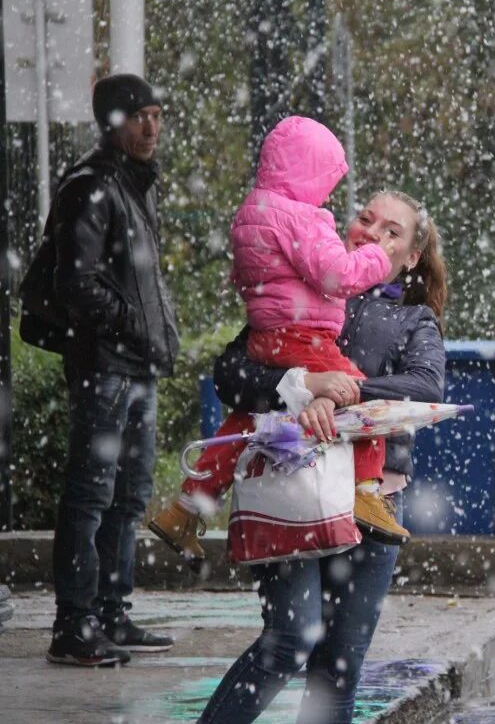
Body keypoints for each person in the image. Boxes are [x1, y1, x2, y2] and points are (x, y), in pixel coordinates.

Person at [196, 191, 447, 723]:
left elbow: (426, 386)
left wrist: (346, 391)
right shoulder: (299, 290)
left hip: (371, 503)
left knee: (338, 665)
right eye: (366, 218)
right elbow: (231, 376)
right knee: (288, 640)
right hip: (292, 489)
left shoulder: (413, 317)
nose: (372, 233)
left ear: (410, 258)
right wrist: (302, 385)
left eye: (392, 231)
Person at [152, 116, 408, 553]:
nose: (328, 194)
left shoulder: (253, 210)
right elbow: (337, 275)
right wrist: (377, 259)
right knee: (364, 396)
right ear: (309, 173)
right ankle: (367, 493)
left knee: (247, 423)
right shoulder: (302, 217)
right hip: (303, 336)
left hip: (267, 335)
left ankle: (186, 507)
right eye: (326, 181)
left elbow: (248, 274)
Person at [26, 74, 179, 666]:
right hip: (105, 366)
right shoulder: (90, 186)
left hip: (135, 365)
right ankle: (74, 625)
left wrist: (149, 335)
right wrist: (131, 325)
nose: (151, 128)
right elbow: (77, 283)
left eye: (157, 115)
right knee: (91, 492)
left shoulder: (134, 184)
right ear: (111, 122)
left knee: (129, 494)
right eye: (139, 116)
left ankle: (112, 614)